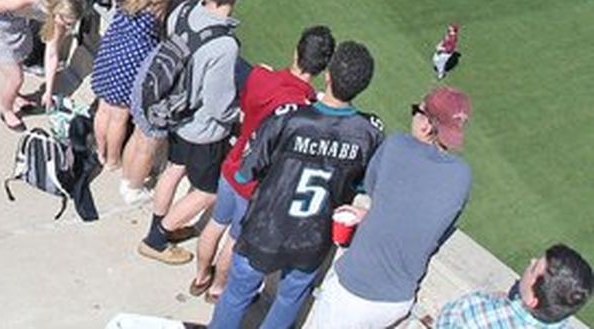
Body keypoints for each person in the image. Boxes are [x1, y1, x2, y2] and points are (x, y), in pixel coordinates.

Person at [208, 41, 384, 329]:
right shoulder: (370, 132)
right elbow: (365, 185)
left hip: (266, 228)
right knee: (290, 300)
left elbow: (245, 173)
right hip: (313, 237)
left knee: (237, 295)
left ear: (327, 74)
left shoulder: (290, 117)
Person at [304, 87, 474, 329]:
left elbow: (373, 189)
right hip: (397, 301)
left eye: (418, 111)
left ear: (427, 125)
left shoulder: (397, 145)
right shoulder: (462, 175)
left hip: (356, 289)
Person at [191, 27, 336, 304]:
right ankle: (218, 288)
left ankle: (200, 277)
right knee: (234, 239)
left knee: (215, 225)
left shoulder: (260, 75)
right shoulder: (305, 108)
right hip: (256, 184)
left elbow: (245, 106)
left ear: (297, 51)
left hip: (233, 164)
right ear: (323, 67)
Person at [138, 0, 245, 266]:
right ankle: (157, 237)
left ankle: (159, 226)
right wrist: (236, 116)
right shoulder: (224, 46)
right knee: (208, 191)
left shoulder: (183, 12)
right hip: (203, 130)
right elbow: (218, 106)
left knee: (174, 169)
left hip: (175, 112)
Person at [88, 0, 171, 170]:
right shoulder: (163, 1)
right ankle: (112, 159)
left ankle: (100, 152)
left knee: (104, 109)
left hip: (111, 52)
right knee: (119, 116)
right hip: (133, 63)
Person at [0, 0, 83, 131]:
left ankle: (14, 95)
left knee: (17, 62)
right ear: (58, 10)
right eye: (67, 22)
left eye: (72, 24)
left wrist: (48, 92)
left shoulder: (59, 20)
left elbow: (51, 54)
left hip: (16, 23)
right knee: (15, 78)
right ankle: (7, 111)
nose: (68, 27)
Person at [435, 244, 591, 328]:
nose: (531, 261)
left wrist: (491, 299)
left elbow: (445, 321)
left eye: (534, 267)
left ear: (532, 301)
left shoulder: (470, 313)